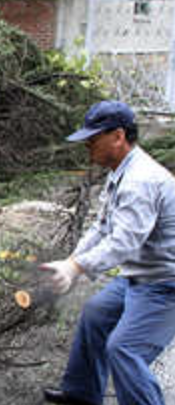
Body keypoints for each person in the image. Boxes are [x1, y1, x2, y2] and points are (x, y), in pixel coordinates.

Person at [41, 100, 175, 405]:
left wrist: (76, 268)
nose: (87, 143)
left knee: (125, 350)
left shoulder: (141, 180)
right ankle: (83, 394)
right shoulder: (120, 172)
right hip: (138, 278)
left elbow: (123, 243)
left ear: (117, 136)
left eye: (93, 136)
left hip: (166, 285)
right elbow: (102, 229)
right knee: (96, 314)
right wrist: (70, 263)